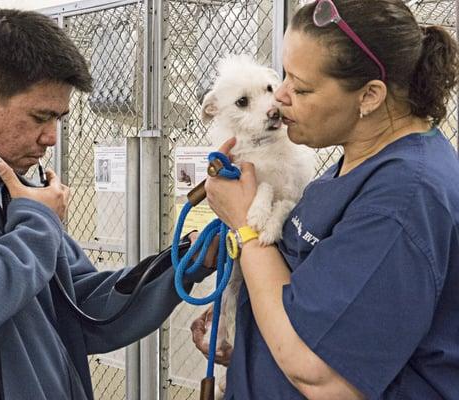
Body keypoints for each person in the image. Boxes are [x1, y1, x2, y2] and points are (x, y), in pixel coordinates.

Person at [0, 8, 216, 400]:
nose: (51, 137)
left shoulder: (16, 189)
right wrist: (39, 223)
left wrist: (188, 260)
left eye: (60, 119)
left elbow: (84, 311)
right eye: (39, 117)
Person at [191, 0, 459, 398]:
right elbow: (308, 297)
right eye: (282, 78)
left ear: (369, 96)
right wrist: (247, 324)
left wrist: (245, 224)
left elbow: (322, 374)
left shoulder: (403, 200)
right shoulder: (356, 164)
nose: (279, 98)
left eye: (300, 87)